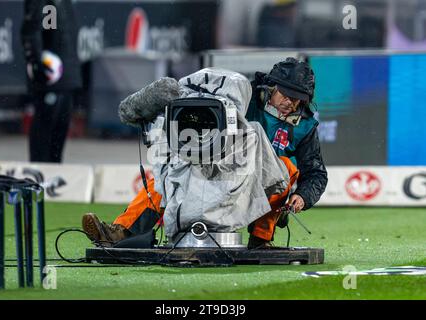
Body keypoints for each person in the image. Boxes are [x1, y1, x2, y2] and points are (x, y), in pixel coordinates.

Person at [82, 57, 328, 249]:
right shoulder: (242, 98)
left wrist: (303, 197)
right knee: (167, 176)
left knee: (285, 167)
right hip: (217, 163)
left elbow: (316, 173)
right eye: (286, 96)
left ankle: (261, 240)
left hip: (259, 182)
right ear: (271, 87)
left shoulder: (305, 126)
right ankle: (119, 232)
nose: (291, 104)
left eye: (298, 100)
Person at [21, 0, 82, 163]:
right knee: (44, 136)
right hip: (51, 81)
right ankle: (40, 176)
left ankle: (52, 175)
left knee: (57, 139)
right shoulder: (47, 5)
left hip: (66, 79)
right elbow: (34, 30)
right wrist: (37, 62)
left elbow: (56, 30)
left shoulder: (63, 5)